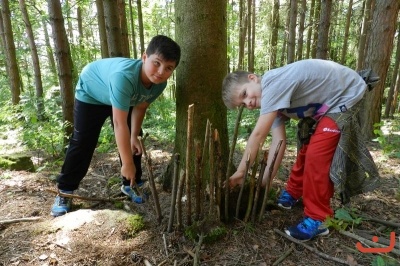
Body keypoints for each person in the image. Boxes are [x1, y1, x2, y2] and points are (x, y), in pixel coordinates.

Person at [222, 59, 380, 241]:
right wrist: (264, 183)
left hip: (345, 95)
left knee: (317, 156)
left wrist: (242, 171)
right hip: (326, 105)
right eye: (242, 104)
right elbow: (278, 143)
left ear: (253, 79)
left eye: (245, 94)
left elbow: (258, 135)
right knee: (307, 149)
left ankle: (319, 218)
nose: (248, 103)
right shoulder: (271, 104)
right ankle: (294, 192)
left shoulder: (271, 84)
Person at [51, 35, 181, 217]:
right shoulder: (124, 77)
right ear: (144, 57)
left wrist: (134, 135)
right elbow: (120, 124)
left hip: (122, 97)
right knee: (83, 142)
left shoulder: (159, 84)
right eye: (156, 63)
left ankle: (131, 184)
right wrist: (126, 163)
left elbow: (141, 106)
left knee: (133, 141)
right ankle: (65, 190)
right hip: (92, 93)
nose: (160, 72)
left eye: (168, 68)